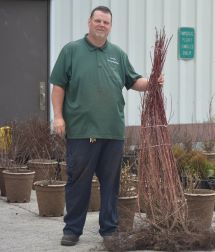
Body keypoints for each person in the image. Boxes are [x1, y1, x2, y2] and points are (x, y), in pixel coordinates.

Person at [50, 6, 162, 246]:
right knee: (78, 182)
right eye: (98, 20)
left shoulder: (117, 55)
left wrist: (151, 83)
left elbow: (134, 81)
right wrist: (58, 117)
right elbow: (58, 85)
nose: (101, 25)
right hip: (81, 131)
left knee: (111, 184)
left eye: (106, 22)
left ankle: (109, 230)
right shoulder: (71, 51)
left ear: (110, 26)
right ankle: (72, 230)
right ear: (89, 22)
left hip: (112, 132)